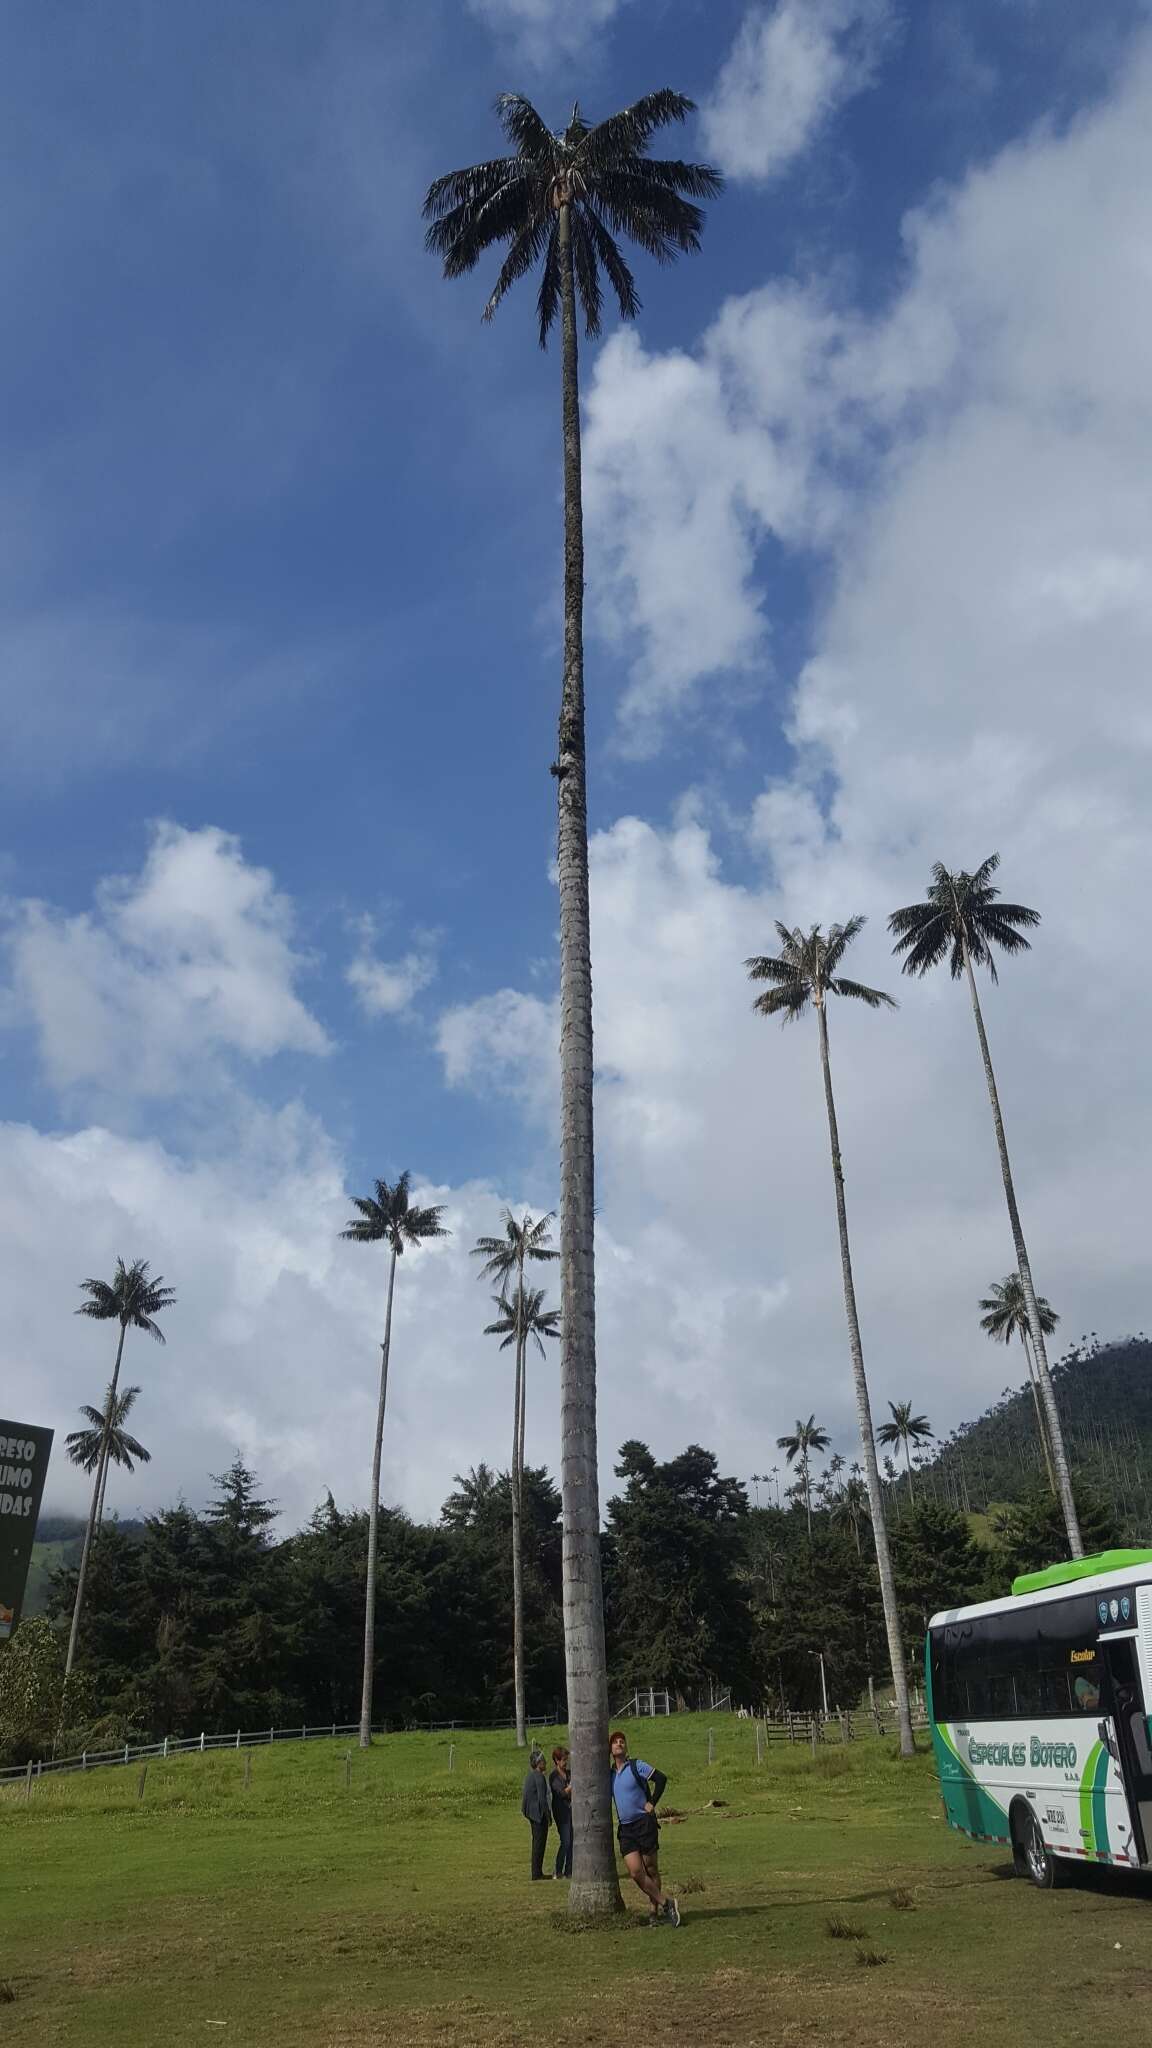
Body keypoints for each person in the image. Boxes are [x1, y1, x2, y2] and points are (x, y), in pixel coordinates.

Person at [609, 1729, 679, 1926]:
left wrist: (652, 1803)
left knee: (651, 1868)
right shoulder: (610, 1775)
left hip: (644, 1823)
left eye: (622, 1741)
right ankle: (667, 1902)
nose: (619, 1744)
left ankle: (653, 1912)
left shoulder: (636, 1765)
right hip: (626, 1828)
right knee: (635, 1872)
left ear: (626, 1747)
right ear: (610, 1749)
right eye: (615, 1742)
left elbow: (661, 1779)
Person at [521, 1750, 552, 1880]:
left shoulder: (530, 1776)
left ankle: (536, 1871)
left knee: (536, 1842)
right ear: (539, 1763)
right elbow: (542, 1799)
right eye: (543, 1761)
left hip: (531, 1813)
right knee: (539, 1843)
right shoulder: (539, 1777)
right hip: (538, 1814)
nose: (545, 1763)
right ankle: (537, 1873)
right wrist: (548, 1816)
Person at [550, 1746, 573, 1879]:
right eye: (564, 1760)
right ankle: (558, 1870)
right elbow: (560, 1793)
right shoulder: (554, 1776)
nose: (566, 1763)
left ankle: (569, 1870)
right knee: (565, 1841)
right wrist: (570, 1788)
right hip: (561, 1813)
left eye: (566, 1760)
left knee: (572, 1840)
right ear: (557, 1761)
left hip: (571, 1810)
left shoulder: (569, 1773)